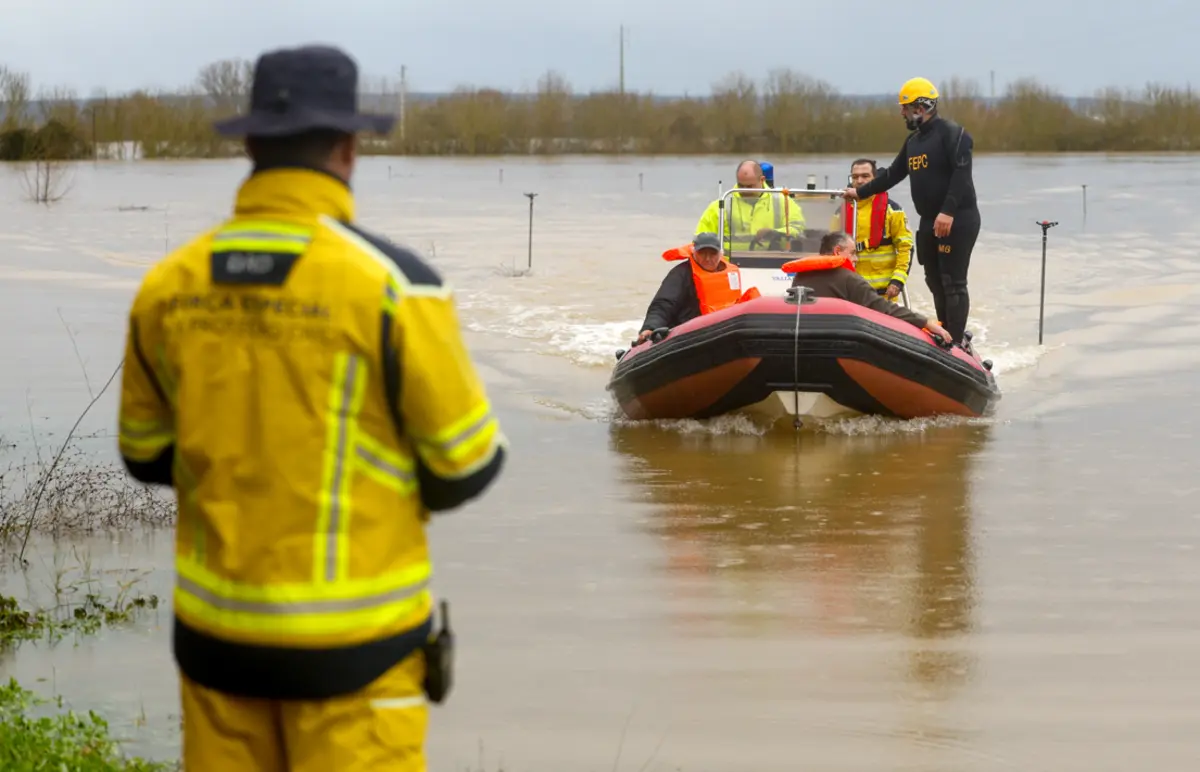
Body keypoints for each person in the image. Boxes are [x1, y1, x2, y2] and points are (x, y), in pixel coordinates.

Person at [116, 44, 507, 771]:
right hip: (358, 661)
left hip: (215, 650)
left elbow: (144, 456)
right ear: (350, 150)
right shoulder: (398, 287)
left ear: (253, 143)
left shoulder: (166, 285)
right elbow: (466, 467)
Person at [841, 77, 980, 343]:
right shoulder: (914, 142)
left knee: (953, 282)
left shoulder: (953, 134)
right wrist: (859, 192)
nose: (901, 113)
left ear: (921, 107)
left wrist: (948, 212)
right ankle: (945, 330)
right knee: (934, 280)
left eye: (905, 107)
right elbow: (892, 174)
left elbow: (962, 174)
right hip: (930, 221)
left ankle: (957, 339)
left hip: (957, 218)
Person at [787, 232, 951, 342]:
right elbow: (885, 308)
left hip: (804, 340)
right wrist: (925, 322)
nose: (856, 259)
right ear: (837, 251)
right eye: (852, 253)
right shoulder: (849, 279)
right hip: (837, 343)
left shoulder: (801, 277)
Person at [636, 232, 759, 343]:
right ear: (694, 252)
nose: (707, 259)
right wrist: (650, 327)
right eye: (702, 253)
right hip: (687, 335)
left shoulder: (731, 274)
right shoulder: (681, 274)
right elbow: (664, 303)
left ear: (720, 254)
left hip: (720, 332)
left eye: (712, 254)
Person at [696, 160, 805, 253]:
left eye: (749, 186)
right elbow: (700, 239)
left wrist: (775, 232)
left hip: (773, 262)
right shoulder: (721, 205)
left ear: (762, 180)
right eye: (741, 185)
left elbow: (799, 229)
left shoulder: (783, 201)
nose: (744, 190)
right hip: (730, 266)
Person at [845, 158, 914, 303]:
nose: (859, 181)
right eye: (855, 177)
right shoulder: (841, 211)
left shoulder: (892, 210)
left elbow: (905, 247)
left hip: (884, 294)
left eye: (865, 176)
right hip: (851, 292)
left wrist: (898, 280)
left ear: (875, 179)